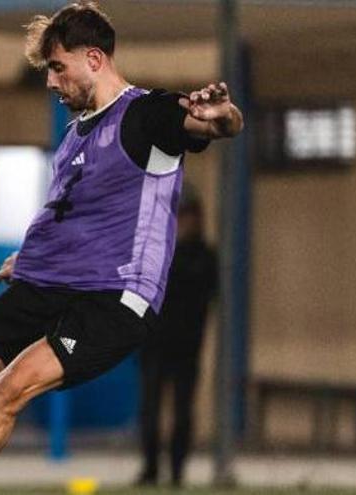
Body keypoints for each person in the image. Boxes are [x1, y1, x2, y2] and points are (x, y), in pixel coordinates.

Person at [0, 3, 243, 494]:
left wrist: (223, 116)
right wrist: (31, 259)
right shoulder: (77, 135)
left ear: (96, 60)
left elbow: (217, 124)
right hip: (48, 282)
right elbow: (79, 213)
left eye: (58, 68)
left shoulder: (148, 115)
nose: (50, 82)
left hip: (111, 298)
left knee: (7, 390)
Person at [136, 185, 217, 487]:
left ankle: (177, 471)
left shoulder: (204, 257)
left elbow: (205, 293)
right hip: (154, 345)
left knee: (182, 413)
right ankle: (150, 469)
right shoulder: (156, 253)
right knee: (150, 411)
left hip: (186, 348)